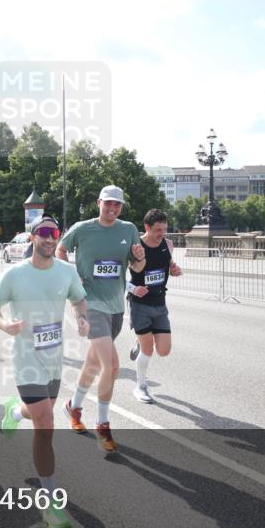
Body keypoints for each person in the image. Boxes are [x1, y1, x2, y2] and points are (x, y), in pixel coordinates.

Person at [0, 215, 88, 528]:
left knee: (37, 412)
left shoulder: (66, 272)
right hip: (26, 357)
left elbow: (79, 300)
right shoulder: (15, 275)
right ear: (32, 238)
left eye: (54, 233)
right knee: (46, 422)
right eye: (43, 233)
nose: (49, 238)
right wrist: (5, 325)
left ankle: (14, 411)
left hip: (54, 358)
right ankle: (50, 502)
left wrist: (82, 319)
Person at [56, 185, 145, 453]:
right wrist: (71, 274)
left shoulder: (128, 229)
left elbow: (136, 266)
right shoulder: (82, 228)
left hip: (116, 307)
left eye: (117, 205)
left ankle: (73, 406)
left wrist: (140, 260)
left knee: (93, 365)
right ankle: (103, 425)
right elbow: (60, 249)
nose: (112, 208)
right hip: (89, 303)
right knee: (113, 366)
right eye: (108, 204)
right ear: (99, 203)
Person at [126, 209, 182, 404]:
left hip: (159, 302)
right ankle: (140, 386)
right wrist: (133, 288)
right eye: (158, 230)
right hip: (140, 304)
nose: (162, 233)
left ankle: (140, 341)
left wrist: (174, 269)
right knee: (148, 350)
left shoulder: (168, 244)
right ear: (147, 227)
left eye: (164, 229)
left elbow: (169, 265)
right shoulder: (137, 247)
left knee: (164, 350)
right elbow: (119, 278)